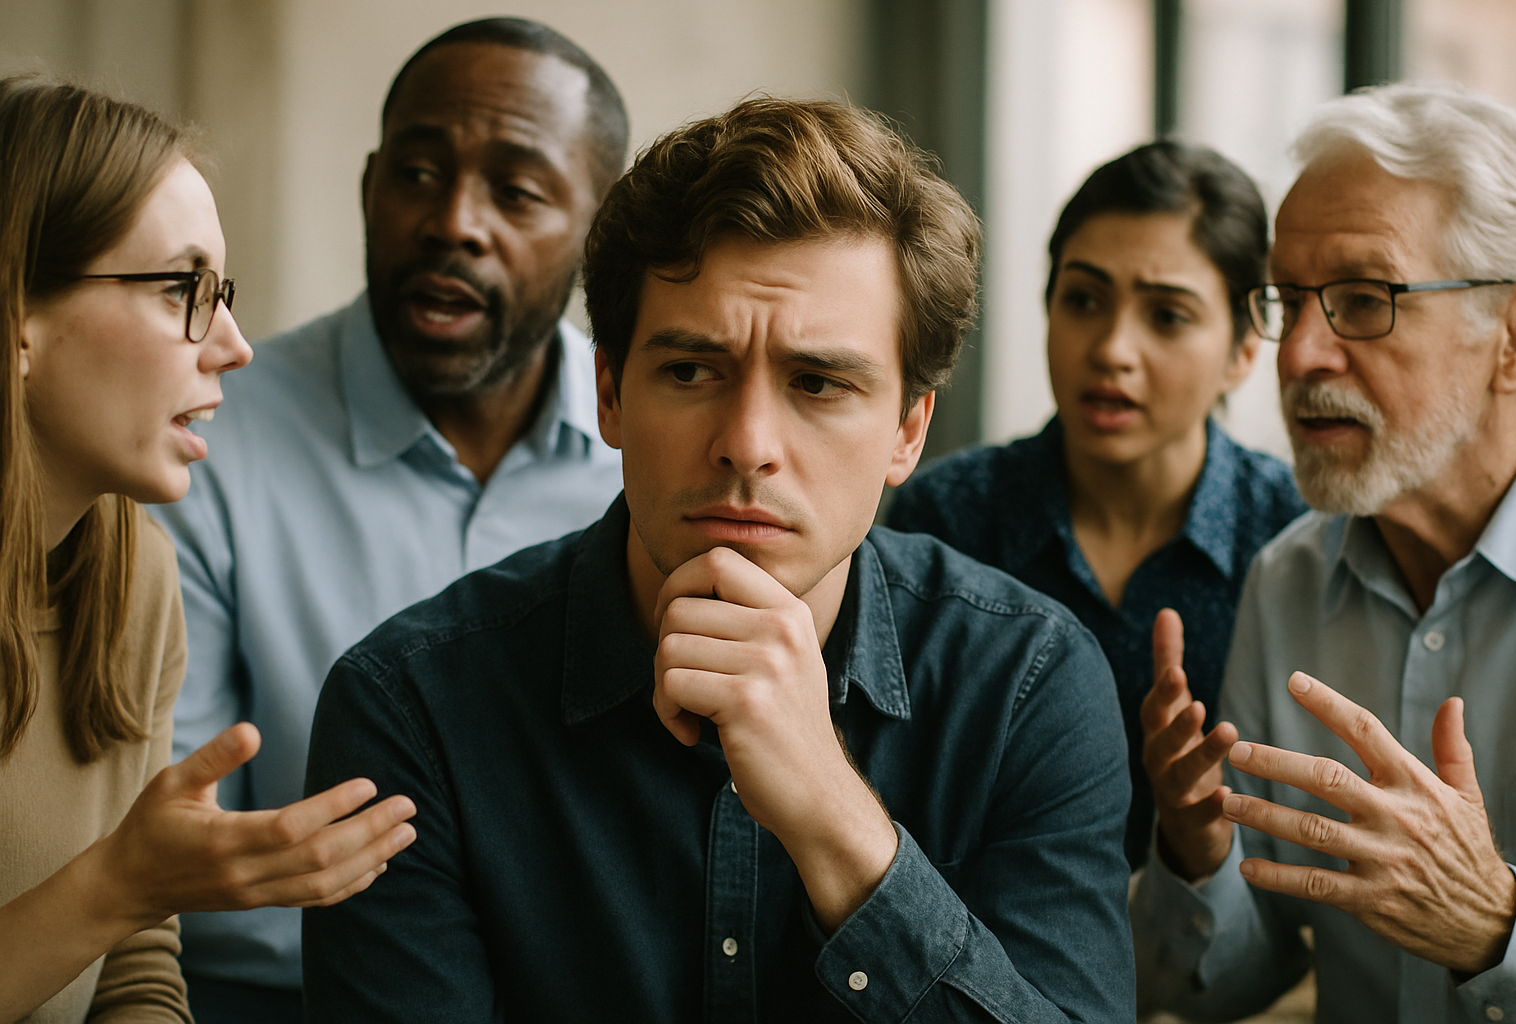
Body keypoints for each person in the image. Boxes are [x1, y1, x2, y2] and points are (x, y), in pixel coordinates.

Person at [302, 97, 1135, 1022]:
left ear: (907, 430)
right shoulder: (413, 709)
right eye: (692, 371)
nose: (746, 444)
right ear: (609, 394)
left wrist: (836, 821)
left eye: (817, 382)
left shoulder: (1029, 683)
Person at [148, 18, 628, 1017]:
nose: (454, 219)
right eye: (417, 172)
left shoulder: (669, 455)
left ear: (600, 237)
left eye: (517, 189)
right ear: (369, 188)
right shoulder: (206, 440)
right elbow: (180, 861)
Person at [0, 76, 416, 1023]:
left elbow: (135, 962)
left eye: (222, 293)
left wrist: (131, 895)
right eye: (182, 288)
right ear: (19, 310)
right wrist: (118, 883)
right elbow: (121, 901)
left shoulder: (136, 575)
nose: (232, 344)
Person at [1134, 82, 1516, 1023]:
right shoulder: (1289, 581)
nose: (1301, 354)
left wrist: (1501, 924)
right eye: (1287, 299)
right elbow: (1227, 981)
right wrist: (1197, 854)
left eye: (1363, 299)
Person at [887, 141, 1307, 869]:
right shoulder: (949, 518)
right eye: (1083, 300)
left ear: (1244, 349)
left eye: (1168, 317)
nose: (1113, 349)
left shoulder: (1292, 539)